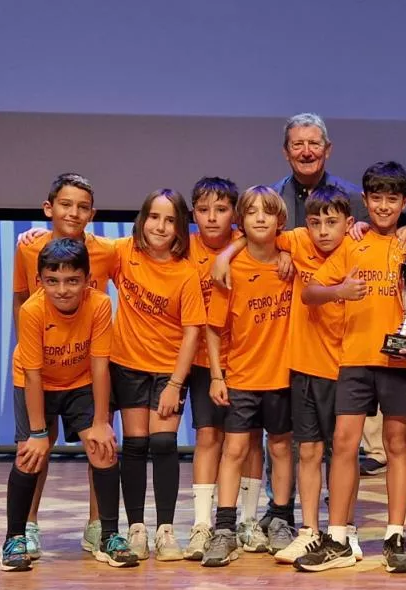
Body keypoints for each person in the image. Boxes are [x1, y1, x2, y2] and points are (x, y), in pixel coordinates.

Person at [297, 161, 406, 573]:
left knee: (398, 446)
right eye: (376, 198)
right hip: (354, 359)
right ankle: (338, 536)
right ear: (365, 199)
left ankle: (395, 536)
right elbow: (309, 293)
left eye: (392, 199)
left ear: (405, 203)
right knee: (344, 443)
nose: (383, 206)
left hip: (396, 360)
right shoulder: (350, 244)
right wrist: (339, 290)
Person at [2, 238, 135, 571]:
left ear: (87, 281)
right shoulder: (32, 311)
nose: (62, 289)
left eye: (72, 280)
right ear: (40, 282)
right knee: (31, 455)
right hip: (37, 384)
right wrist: (36, 433)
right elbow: (32, 375)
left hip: (80, 383)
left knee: (102, 447)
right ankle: (15, 537)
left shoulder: (101, 304)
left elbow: (100, 365)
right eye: (53, 281)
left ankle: (108, 535)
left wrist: (102, 421)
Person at [11, 173, 114, 556]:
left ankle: (97, 525)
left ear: (93, 213)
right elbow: (21, 299)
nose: (74, 212)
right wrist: (29, 348)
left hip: (87, 368)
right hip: (38, 366)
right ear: (48, 208)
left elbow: (149, 250)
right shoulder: (27, 247)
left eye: (82, 206)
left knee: (98, 442)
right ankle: (28, 526)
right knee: (36, 445)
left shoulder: (106, 250)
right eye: (65, 204)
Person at [199, 186, 296, 567]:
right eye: (251, 212)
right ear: (241, 222)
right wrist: (217, 376)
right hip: (240, 377)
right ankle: (225, 528)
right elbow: (212, 328)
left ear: (280, 222)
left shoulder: (292, 263)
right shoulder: (230, 270)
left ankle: (282, 518)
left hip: (283, 378)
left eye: (267, 212)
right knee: (234, 450)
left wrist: (286, 253)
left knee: (281, 448)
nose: (260, 218)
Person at [111, 189, 206, 562]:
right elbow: (83, 243)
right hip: (128, 367)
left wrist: (175, 384)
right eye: (154, 217)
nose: (160, 226)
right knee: (134, 446)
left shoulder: (185, 273)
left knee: (164, 444)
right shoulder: (123, 253)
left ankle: (166, 529)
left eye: (169, 219)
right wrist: (37, 235)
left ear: (180, 227)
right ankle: (136, 528)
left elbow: (192, 333)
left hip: (167, 373)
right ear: (142, 219)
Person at [270, 184, 364, 564]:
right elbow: (253, 233)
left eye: (332, 222)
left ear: (349, 223)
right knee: (307, 450)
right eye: (315, 223)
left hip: (344, 368)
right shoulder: (295, 241)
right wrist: (231, 255)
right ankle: (309, 531)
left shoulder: (357, 249)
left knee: (343, 452)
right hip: (304, 365)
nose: (323, 230)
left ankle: (346, 529)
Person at [182, 177, 270, 561]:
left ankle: (247, 521)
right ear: (193, 214)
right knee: (208, 439)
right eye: (203, 210)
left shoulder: (250, 239)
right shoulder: (182, 247)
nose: (212, 218)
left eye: (221, 210)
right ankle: (203, 524)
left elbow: (284, 242)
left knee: (251, 441)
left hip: (249, 361)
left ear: (235, 213)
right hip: (204, 362)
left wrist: (231, 250)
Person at [271, 113, 369, 228]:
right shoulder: (271, 200)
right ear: (286, 153)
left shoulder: (355, 199)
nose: (306, 153)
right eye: (298, 144)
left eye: (314, 144)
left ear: (327, 150)